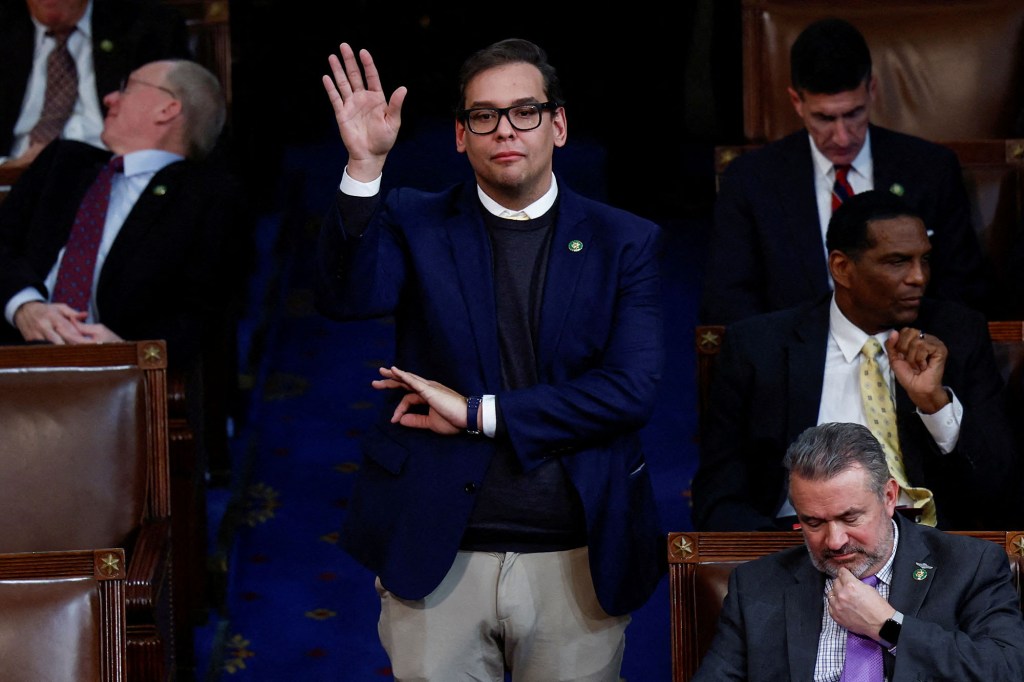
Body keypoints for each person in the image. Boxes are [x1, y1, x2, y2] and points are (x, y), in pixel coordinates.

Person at [315, 38, 665, 680]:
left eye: (525, 111)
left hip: (575, 552)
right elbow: (347, 297)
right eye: (484, 115)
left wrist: (479, 413)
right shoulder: (415, 219)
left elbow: (630, 391)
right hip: (439, 547)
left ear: (558, 125)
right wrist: (364, 166)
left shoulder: (625, 242)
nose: (505, 129)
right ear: (460, 134)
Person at [691, 189, 1019, 532]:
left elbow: (1000, 488)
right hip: (801, 549)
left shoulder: (957, 335)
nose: (918, 277)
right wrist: (781, 553)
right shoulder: (759, 348)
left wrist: (934, 404)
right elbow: (718, 497)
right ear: (842, 267)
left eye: (924, 259)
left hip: (925, 552)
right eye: (897, 261)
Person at [700, 16, 987, 325]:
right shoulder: (751, 180)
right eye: (824, 118)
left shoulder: (931, 169)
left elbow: (963, 291)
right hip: (795, 363)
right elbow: (730, 301)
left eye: (853, 113)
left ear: (871, 90)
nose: (842, 136)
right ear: (797, 102)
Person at [693, 421, 1024, 681]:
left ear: (889, 497)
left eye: (850, 517)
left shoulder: (969, 566)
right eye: (813, 522)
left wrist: (889, 626)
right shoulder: (757, 586)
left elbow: (1007, 670)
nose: (834, 541)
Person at [0, 58, 242, 371]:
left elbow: (203, 310)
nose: (109, 98)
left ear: (167, 109)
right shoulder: (63, 164)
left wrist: (130, 352)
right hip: (10, 345)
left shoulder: (207, 196)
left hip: (114, 378)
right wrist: (24, 306)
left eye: (127, 88)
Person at [0, 0, 191, 168]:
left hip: (109, 177)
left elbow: (182, 128)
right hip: (12, 177)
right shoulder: (8, 25)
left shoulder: (148, 26)